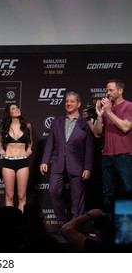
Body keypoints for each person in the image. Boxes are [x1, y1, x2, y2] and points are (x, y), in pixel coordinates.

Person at [40, 92, 95, 226]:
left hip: (77, 164)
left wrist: (88, 167)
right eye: (67, 101)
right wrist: (44, 161)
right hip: (58, 164)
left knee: (77, 198)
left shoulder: (86, 123)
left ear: (79, 104)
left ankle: (75, 224)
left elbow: (89, 147)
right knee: (53, 190)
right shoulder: (56, 122)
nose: (68, 104)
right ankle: (63, 222)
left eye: (71, 101)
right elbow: (50, 143)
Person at [91, 79, 132, 213]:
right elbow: (97, 133)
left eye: (111, 90)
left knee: (127, 190)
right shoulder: (107, 110)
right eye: (107, 90)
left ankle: (126, 228)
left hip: (124, 155)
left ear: (120, 91)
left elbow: (125, 127)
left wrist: (108, 112)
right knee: (108, 193)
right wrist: (100, 117)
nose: (108, 93)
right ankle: (110, 226)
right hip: (107, 156)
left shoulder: (128, 106)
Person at [0, 104, 33, 212]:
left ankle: (21, 224)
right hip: (8, 162)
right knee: (9, 196)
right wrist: (1, 150)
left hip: (23, 162)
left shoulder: (27, 126)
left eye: (17, 107)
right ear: (9, 113)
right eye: (13, 108)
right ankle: (10, 223)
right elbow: (0, 142)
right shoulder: (4, 127)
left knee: (22, 196)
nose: (17, 109)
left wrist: (29, 149)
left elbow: (30, 141)